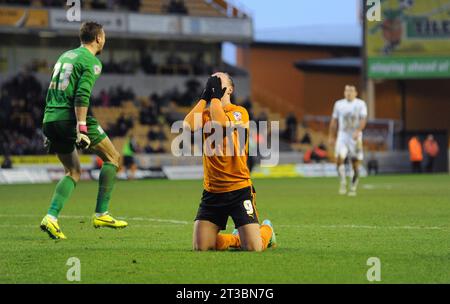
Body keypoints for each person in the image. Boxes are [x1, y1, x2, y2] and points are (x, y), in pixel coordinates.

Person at [40, 22, 128, 240]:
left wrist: (49, 128)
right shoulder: (92, 61)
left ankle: (51, 217)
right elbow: (82, 95)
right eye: (104, 36)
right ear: (98, 38)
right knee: (113, 157)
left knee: (73, 172)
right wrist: (81, 127)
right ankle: (101, 213)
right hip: (72, 118)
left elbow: (53, 91)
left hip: (51, 118)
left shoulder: (66, 55)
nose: (104, 40)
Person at [184, 72, 276, 252]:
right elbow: (187, 126)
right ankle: (236, 238)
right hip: (213, 192)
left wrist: (215, 97)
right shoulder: (205, 114)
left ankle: (267, 230)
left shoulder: (239, 112)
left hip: (239, 189)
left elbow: (220, 123)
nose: (214, 82)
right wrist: (204, 98)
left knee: (253, 247)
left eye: (219, 80)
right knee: (201, 247)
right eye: (212, 80)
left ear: (230, 89)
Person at [328, 85, 368, 196]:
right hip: (343, 135)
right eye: (346, 90)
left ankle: (353, 186)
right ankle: (343, 182)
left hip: (355, 136)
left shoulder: (360, 104)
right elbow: (334, 121)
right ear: (344, 92)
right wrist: (331, 136)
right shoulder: (339, 104)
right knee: (339, 160)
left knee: (355, 164)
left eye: (351, 91)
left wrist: (358, 130)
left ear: (356, 93)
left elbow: (364, 119)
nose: (348, 93)